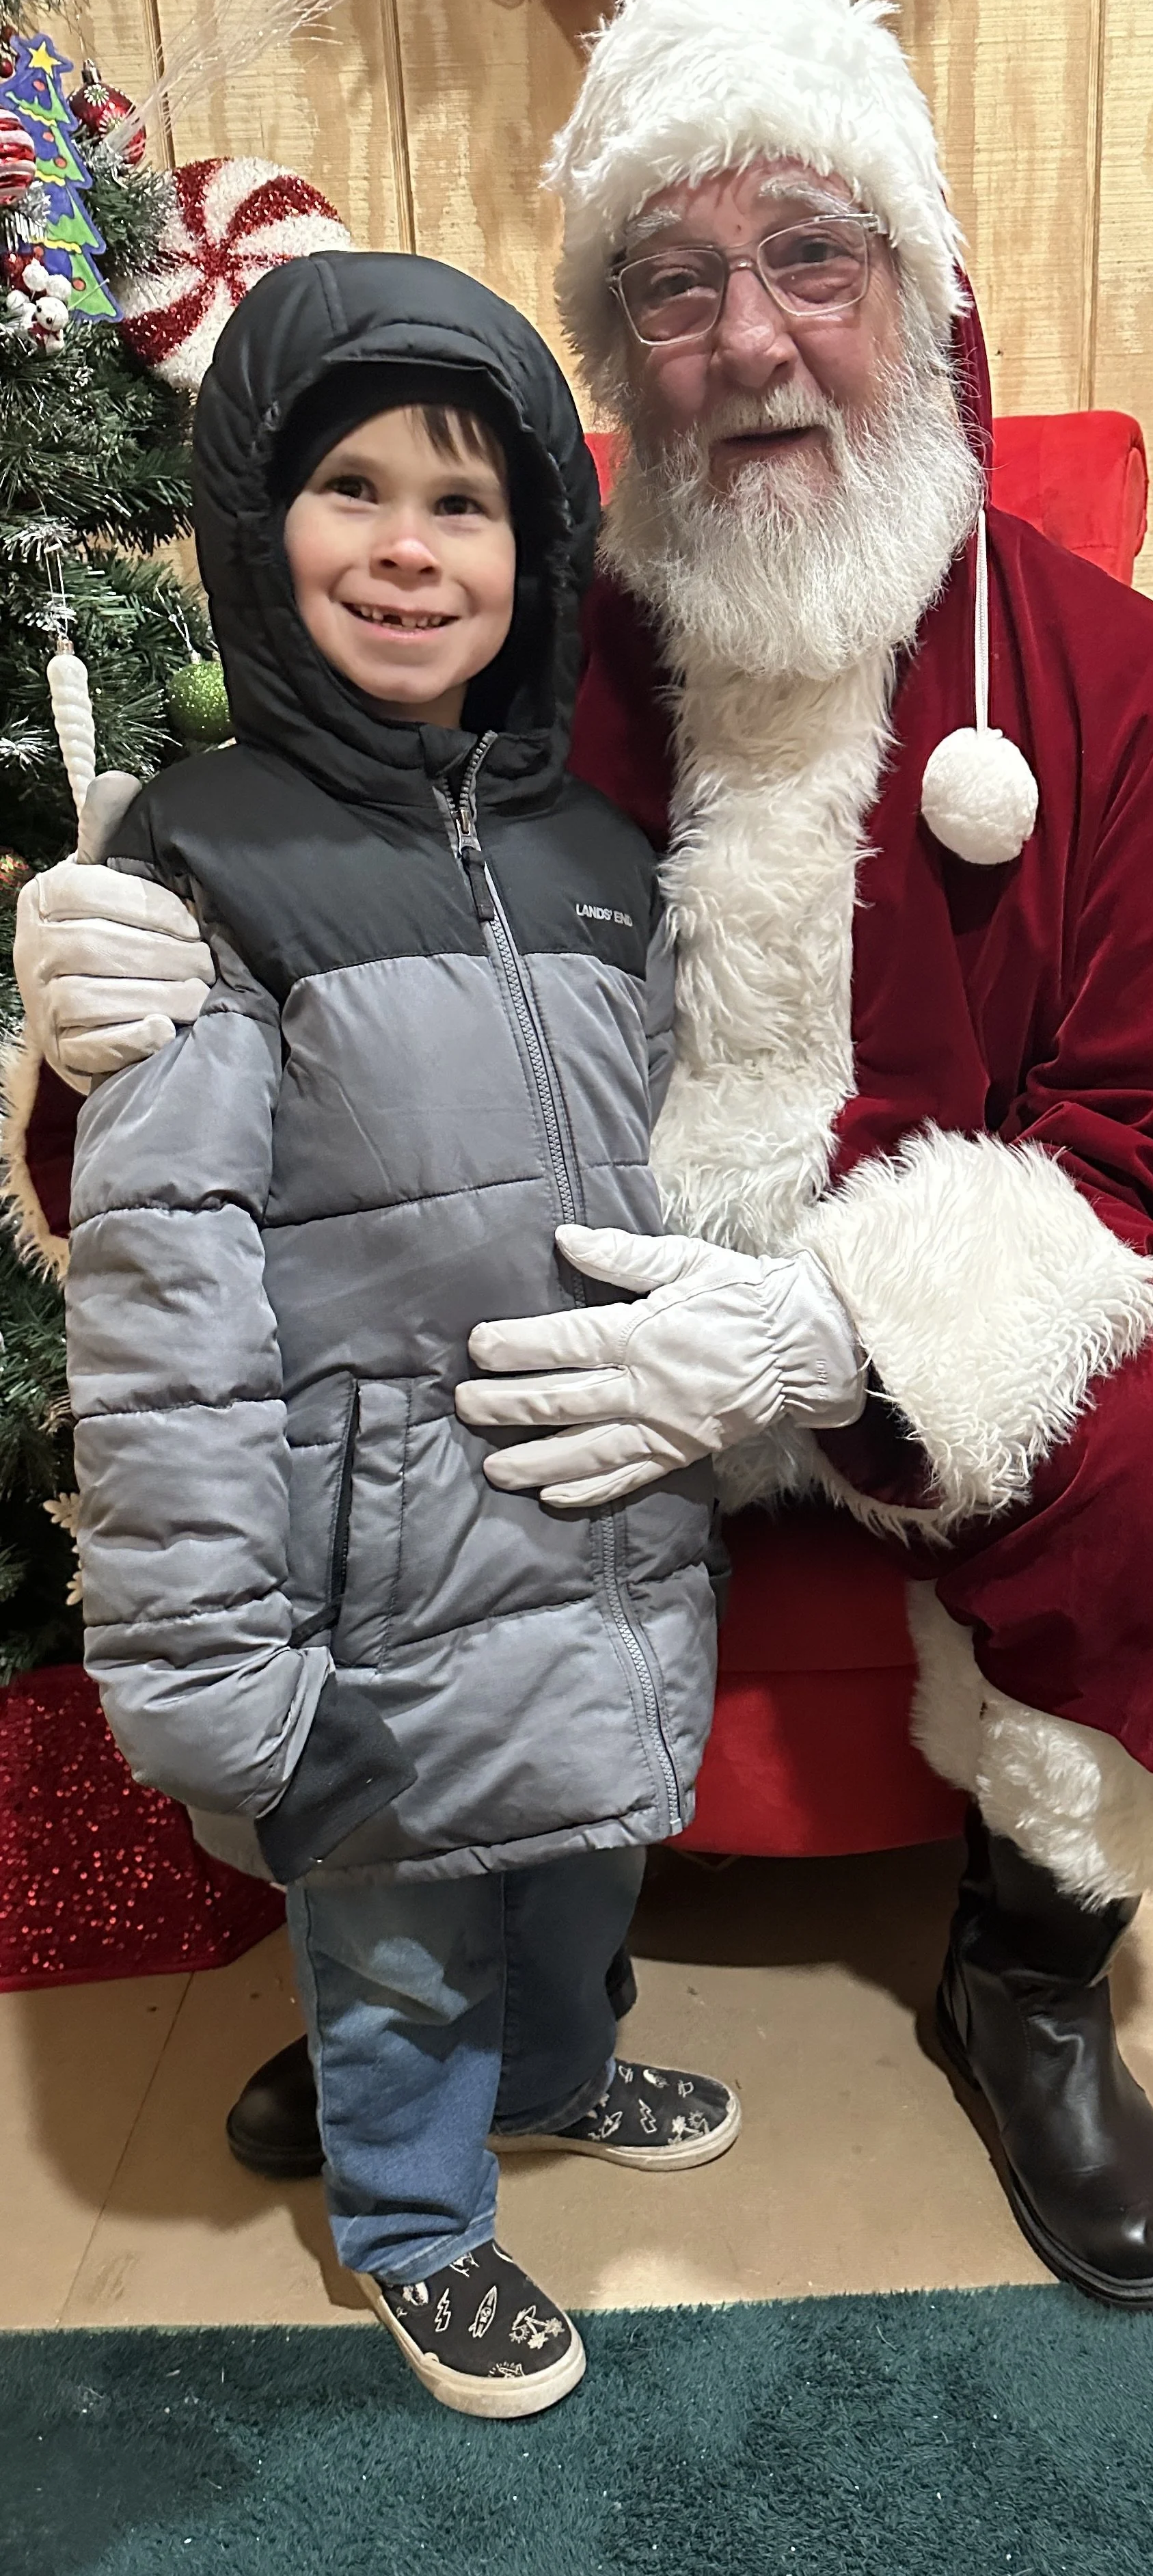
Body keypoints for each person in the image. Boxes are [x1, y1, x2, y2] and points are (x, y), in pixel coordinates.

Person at [15, 0, 1153, 2313]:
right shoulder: (526, 639)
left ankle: (1020, 1972)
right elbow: (288, 978)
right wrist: (100, 1006)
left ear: (919, 292)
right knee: (367, 1417)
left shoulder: (1116, 679)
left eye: (810, 257)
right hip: (563, 1303)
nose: (748, 339)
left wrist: (826, 1332)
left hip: (919, 1355)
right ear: (617, 348)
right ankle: (428, 1984)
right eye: (673, 284)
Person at [58, 244, 786, 2417]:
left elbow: (689, 1159)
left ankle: (557, 2077)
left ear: (536, 550)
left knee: (577, 1870)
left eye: (462, 501)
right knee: (391, 1936)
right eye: (349, 489)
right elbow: (161, 1294)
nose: (404, 546)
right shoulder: (205, 863)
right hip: (364, 1563)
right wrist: (208, 1662)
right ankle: (410, 2218)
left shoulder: (599, 851)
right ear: (254, 538)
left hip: (599, 1513)